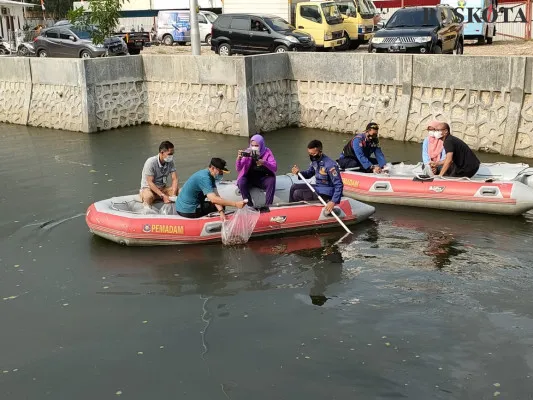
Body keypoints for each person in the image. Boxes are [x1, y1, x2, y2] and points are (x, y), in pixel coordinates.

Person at [175, 158, 246, 219]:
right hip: (188, 210)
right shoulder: (204, 178)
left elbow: (216, 196)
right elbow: (213, 199)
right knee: (216, 206)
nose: (221, 174)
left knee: (221, 206)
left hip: (183, 206)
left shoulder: (210, 176)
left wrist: (221, 211)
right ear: (212, 168)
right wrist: (235, 204)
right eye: (220, 172)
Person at [290, 140, 343, 214]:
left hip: (327, 192)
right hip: (318, 187)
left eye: (313, 154)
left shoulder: (330, 165)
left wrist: (333, 201)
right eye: (309, 154)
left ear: (320, 151)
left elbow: (339, 184)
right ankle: (290, 209)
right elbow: (309, 173)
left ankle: (299, 212)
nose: (311, 156)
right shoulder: (314, 161)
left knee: (297, 193)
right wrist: (298, 173)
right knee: (294, 187)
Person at [236, 134, 277, 207]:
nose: (254, 147)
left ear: (261, 145)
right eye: (252, 145)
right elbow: (238, 169)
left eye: (256, 145)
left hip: (262, 179)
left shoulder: (267, 152)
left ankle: (268, 205)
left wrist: (264, 162)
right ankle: (249, 206)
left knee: (271, 180)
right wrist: (238, 159)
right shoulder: (248, 152)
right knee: (241, 182)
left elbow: (275, 168)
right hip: (249, 179)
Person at [140, 141, 179, 208]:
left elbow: (175, 178)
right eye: (170, 154)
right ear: (162, 152)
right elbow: (150, 182)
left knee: (180, 191)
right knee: (148, 196)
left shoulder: (170, 162)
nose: (171, 156)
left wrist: (174, 195)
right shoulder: (151, 162)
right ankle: (146, 210)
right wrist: (162, 195)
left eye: (172, 154)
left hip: (162, 188)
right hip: (148, 188)